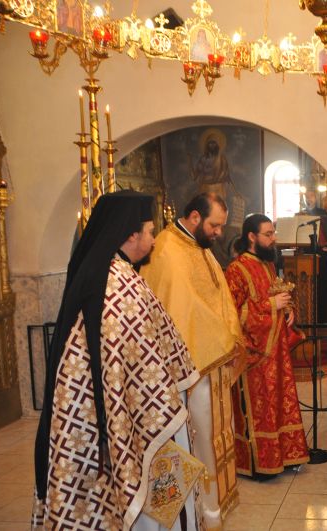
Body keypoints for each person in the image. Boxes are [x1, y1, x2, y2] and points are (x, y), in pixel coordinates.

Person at [33, 191, 200, 530]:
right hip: (134, 416)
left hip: (99, 414)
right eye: (150, 231)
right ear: (130, 234)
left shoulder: (109, 271)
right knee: (148, 496)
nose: (154, 242)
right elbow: (142, 361)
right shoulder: (118, 284)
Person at [140, 192, 244, 527]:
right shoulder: (168, 250)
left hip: (212, 361)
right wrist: (222, 341)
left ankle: (215, 505)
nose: (218, 233)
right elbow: (183, 309)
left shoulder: (201, 249)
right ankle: (198, 511)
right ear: (196, 217)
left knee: (215, 434)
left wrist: (228, 338)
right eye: (214, 225)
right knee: (195, 438)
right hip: (191, 369)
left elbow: (219, 298)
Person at [226, 214, 310, 480]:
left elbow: (275, 295)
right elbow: (232, 314)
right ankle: (258, 463)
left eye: (273, 233)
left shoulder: (268, 265)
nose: (273, 238)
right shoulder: (236, 270)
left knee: (279, 403)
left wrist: (288, 311)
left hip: (277, 352)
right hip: (255, 356)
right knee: (260, 408)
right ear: (251, 237)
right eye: (268, 234)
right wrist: (270, 307)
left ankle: (284, 456)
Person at [301, 189, 327, 323]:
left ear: (316, 198)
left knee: (324, 289)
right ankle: (308, 320)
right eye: (307, 197)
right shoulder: (301, 215)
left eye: (311, 196)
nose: (309, 199)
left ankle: (325, 320)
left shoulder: (323, 214)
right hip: (306, 257)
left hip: (323, 256)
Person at [192, 129, 232, 197]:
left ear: (218, 144)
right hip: (205, 187)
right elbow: (196, 175)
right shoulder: (203, 159)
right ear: (207, 144)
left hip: (217, 188)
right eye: (210, 143)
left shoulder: (222, 159)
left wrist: (215, 180)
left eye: (214, 143)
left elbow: (225, 175)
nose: (212, 145)